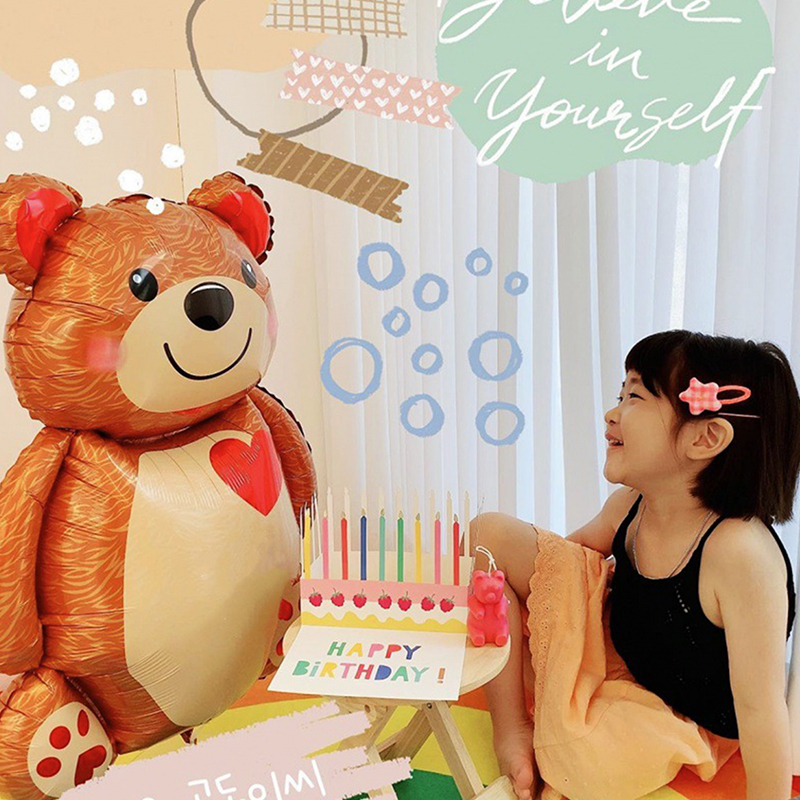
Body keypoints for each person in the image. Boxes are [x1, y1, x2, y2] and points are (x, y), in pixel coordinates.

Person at [471, 330, 799, 800]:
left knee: (583, 759)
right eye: (619, 395)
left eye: (635, 397)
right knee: (488, 542)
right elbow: (562, 571)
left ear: (705, 437)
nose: (612, 413)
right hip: (621, 656)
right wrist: (528, 606)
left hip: (678, 715)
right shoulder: (629, 505)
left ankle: (558, 723)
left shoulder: (740, 553)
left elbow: (760, 710)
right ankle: (512, 729)